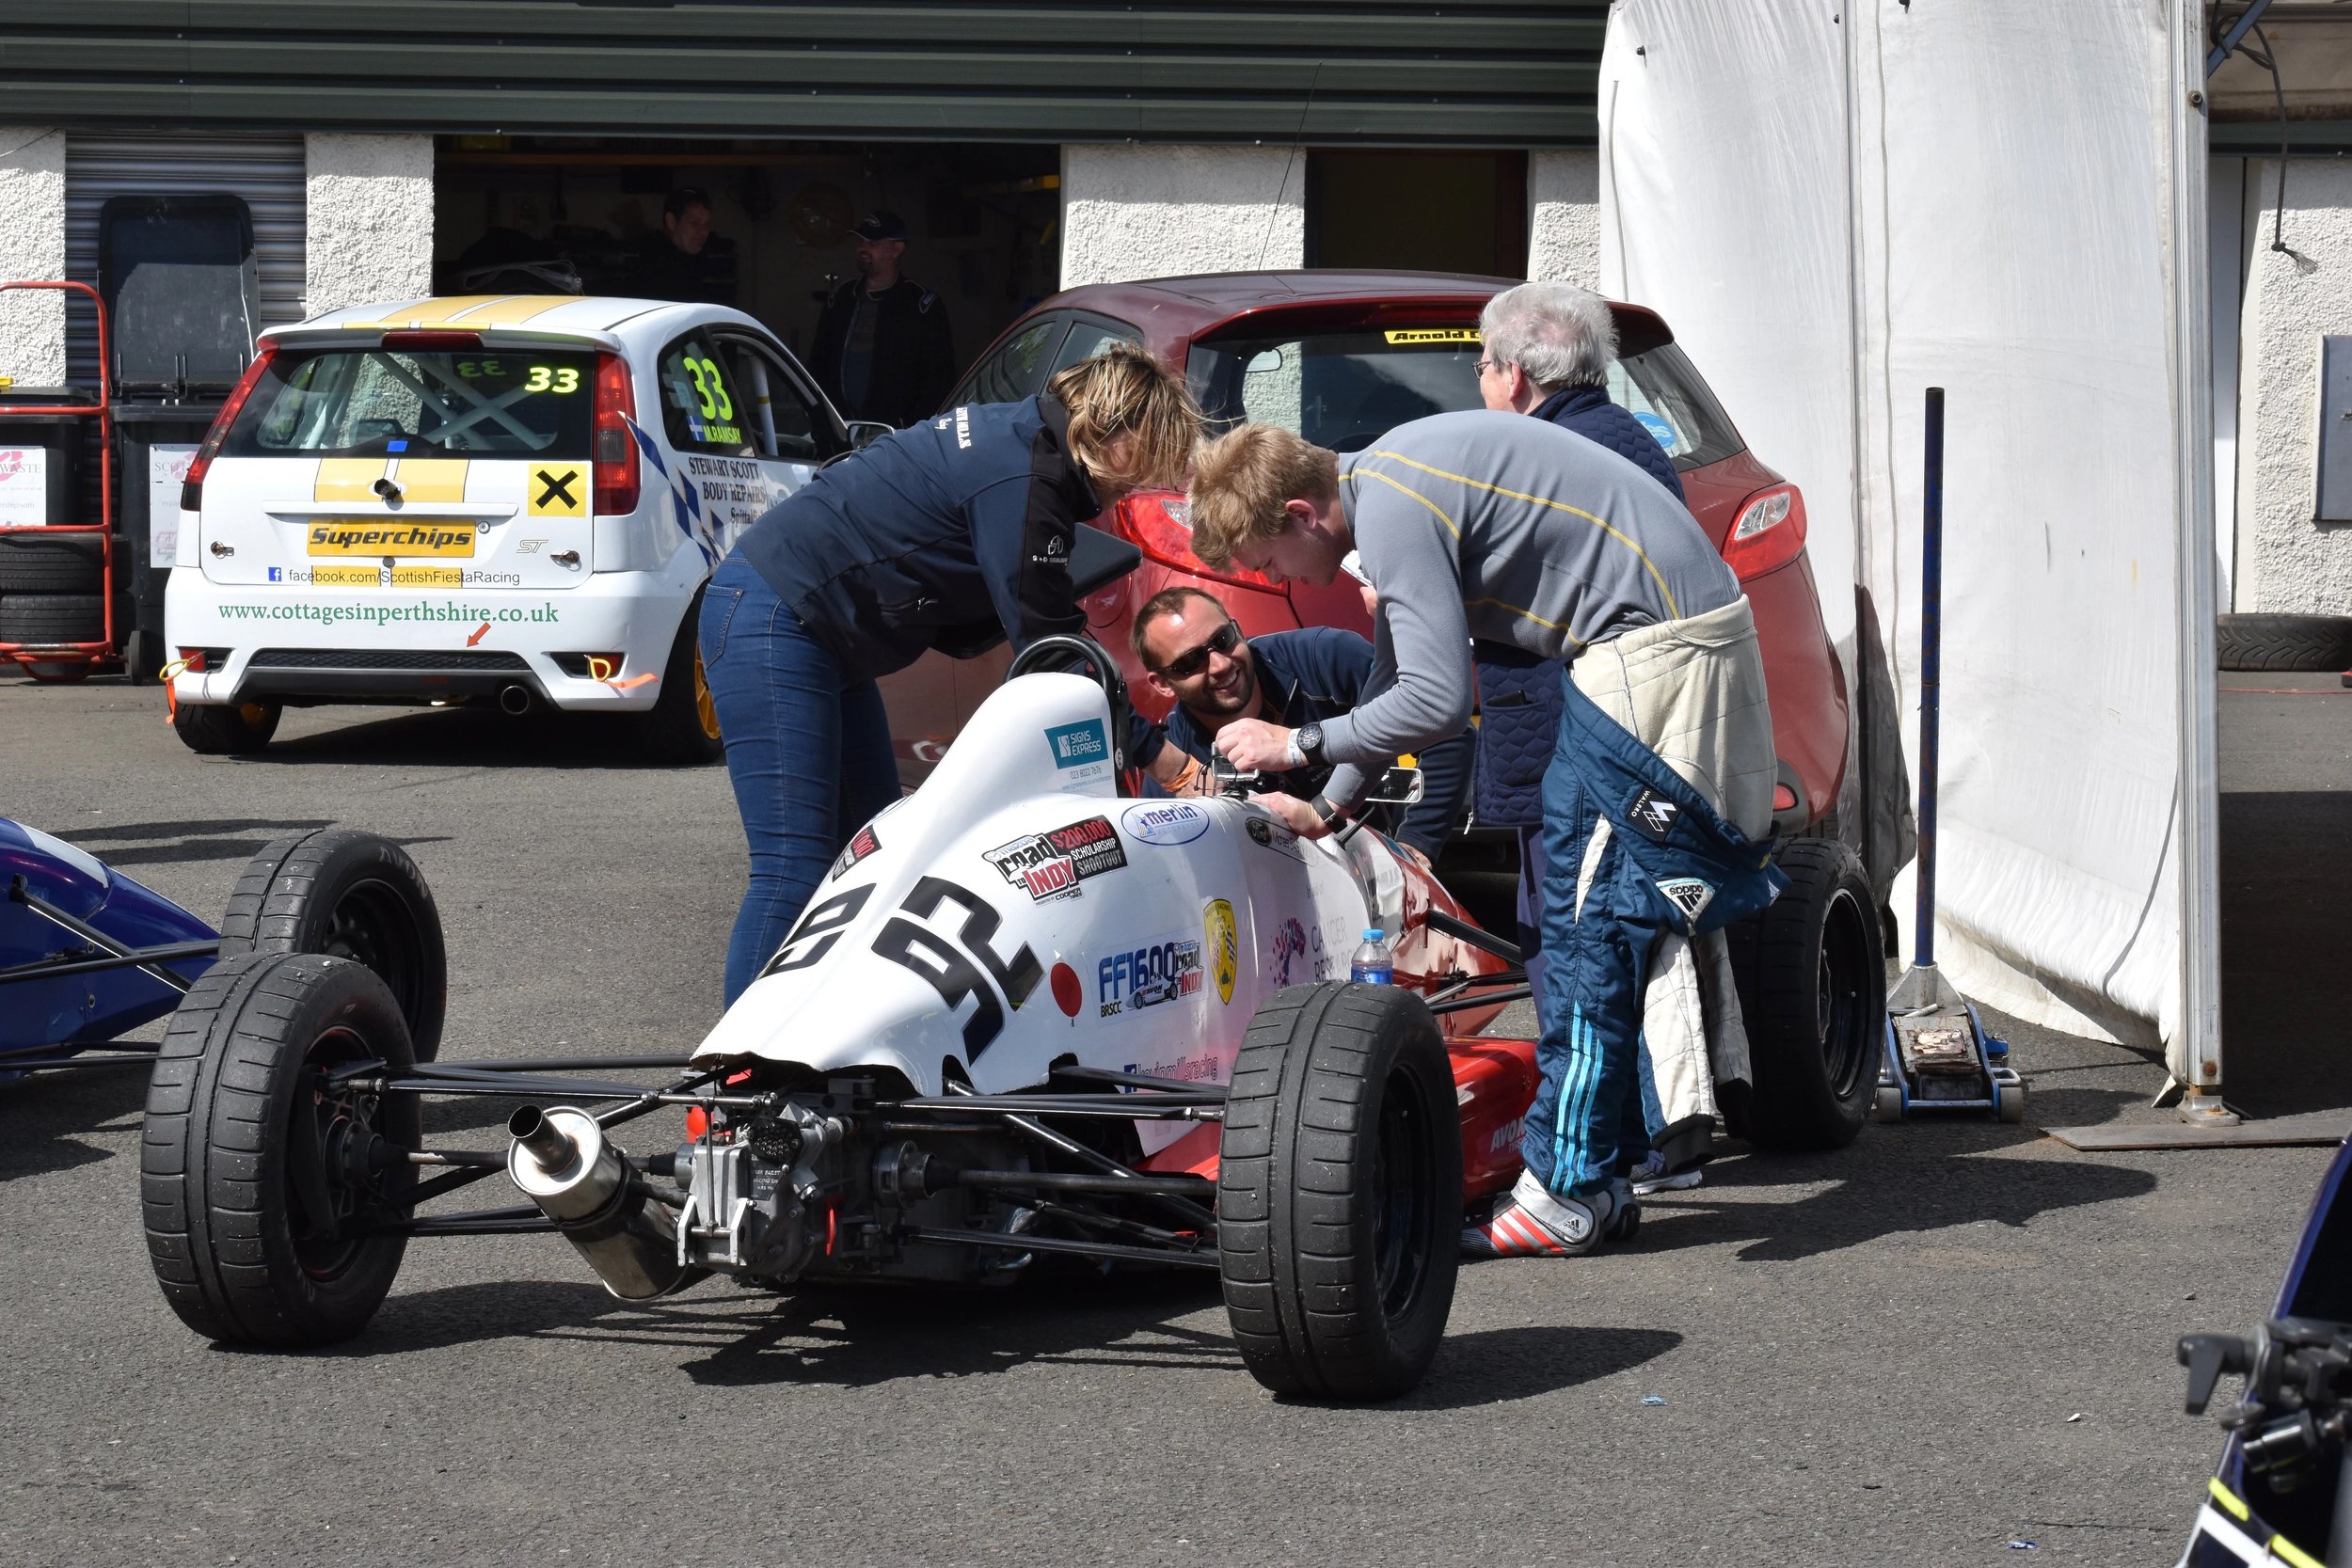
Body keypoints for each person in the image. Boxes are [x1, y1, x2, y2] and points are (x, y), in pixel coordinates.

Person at [1187, 413, 1781, 1259]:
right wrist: (1329, 807)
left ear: (1300, 514)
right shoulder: (1383, 476)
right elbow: (1394, 676)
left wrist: (1298, 744)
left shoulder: (1391, 507)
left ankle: (1566, 1188)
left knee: (1589, 933)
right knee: (1580, 927)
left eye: (1269, 560)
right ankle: (1598, 1177)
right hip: (1640, 648)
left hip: (1659, 652)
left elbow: (1436, 701)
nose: (1277, 578)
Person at [701, 342, 1199, 1003]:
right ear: (1112, 430)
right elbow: (1056, 655)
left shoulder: (1024, 440)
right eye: (1147, 458)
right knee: (794, 867)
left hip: (822, 634)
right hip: (777, 615)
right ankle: (740, 1064)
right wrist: (1167, 760)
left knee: (872, 859)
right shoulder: (1025, 475)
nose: (1136, 485)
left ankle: (828, 1040)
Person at [1475, 279, 1708, 1195]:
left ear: (1519, 373)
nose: (1479, 382)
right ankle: (1643, 1135)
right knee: (1614, 929)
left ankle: (1610, 1148)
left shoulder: (1546, 455)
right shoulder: (1631, 440)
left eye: (1484, 364)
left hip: (1567, 728)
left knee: (1573, 942)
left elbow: (1525, 596)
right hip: (1628, 722)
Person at [1125, 585, 1472, 858]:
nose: (1220, 664)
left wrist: (1415, 847)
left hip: (1384, 883)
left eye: (1222, 640)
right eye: (1191, 663)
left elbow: (1447, 732)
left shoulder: (1324, 657)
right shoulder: (1178, 770)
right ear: (1162, 683)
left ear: (1238, 629)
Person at [1477, 279, 1684, 504]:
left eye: (1482, 368)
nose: (1480, 380)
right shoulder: (1636, 436)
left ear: (1513, 377)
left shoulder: (1534, 468)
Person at [808, 210, 958, 428]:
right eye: (860, 242)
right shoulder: (841, 299)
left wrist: (911, 430)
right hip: (840, 433)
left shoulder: (921, 306)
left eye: (873, 242)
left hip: (897, 437)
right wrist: (822, 425)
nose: (863, 248)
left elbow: (939, 380)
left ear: (897, 249)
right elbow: (817, 366)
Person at [633, 187, 735, 307]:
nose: (703, 232)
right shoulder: (652, 270)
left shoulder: (696, 262)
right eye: (694, 223)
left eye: (706, 224)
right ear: (671, 222)